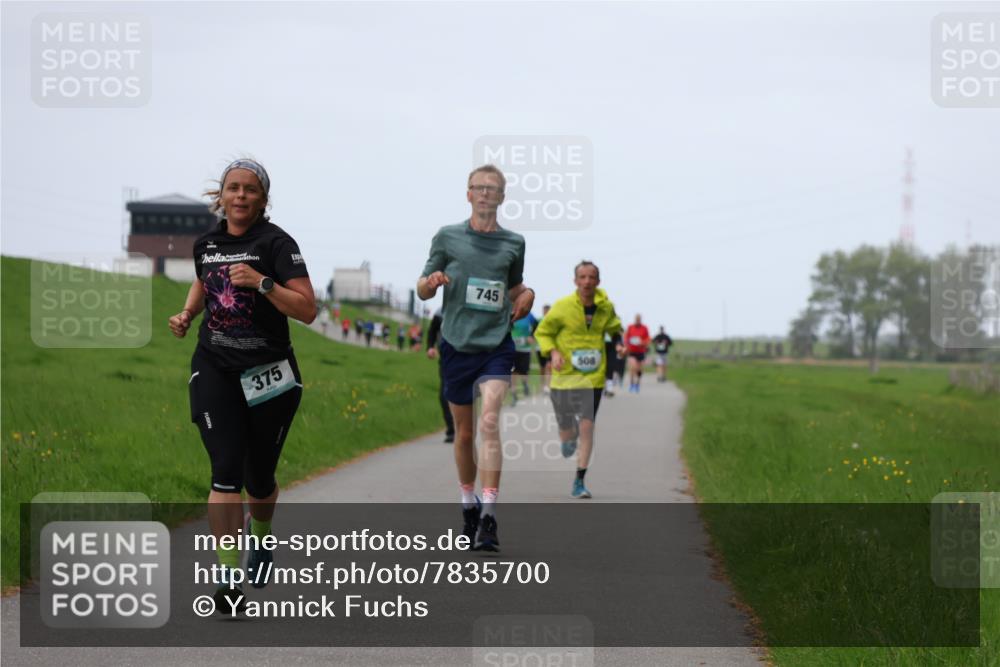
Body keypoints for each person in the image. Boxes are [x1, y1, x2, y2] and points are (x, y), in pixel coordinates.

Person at [168, 158, 315, 613]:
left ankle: (262, 537)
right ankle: (229, 579)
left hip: (268, 373)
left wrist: (263, 282)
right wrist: (189, 313)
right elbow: (202, 280)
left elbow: (307, 309)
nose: (240, 196)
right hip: (215, 366)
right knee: (225, 473)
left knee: (260, 477)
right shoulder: (207, 243)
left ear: (262, 199)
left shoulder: (277, 244)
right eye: (233, 188)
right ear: (222, 195)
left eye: (250, 190)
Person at [417, 164, 534, 552]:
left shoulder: (513, 242)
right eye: (478, 188)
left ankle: (489, 517)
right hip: (456, 344)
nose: (485, 194)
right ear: (468, 194)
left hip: (496, 346)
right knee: (464, 433)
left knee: (489, 421)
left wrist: (527, 296)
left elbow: (514, 287)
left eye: (493, 189)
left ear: (502, 197)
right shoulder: (447, 237)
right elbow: (421, 288)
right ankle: (469, 504)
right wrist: (431, 283)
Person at [534, 261, 623, 499]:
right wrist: (552, 352)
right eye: (582, 277)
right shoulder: (562, 307)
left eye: (591, 277)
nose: (587, 281)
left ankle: (579, 481)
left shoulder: (606, 307)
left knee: (587, 426)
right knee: (568, 429)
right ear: (575, 281)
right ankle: (567, 435)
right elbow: (543, 332)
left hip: (593, 377)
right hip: (564, 378)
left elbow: (615, 329)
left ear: (598, 281)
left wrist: (619, 344)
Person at [426, 308, 455, 443]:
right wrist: (430, 347)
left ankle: (464, 426)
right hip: (446, 359)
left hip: (468, 357)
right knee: (444, 395)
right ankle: (451, 429)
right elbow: (432, 331)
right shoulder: (439, 313)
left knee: (464, 394)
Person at [510, 311, 538, 405]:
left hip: (525, 348)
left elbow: (537, 325)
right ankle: (514, 394)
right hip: (513, 348)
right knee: (513, 371)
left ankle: (525, 384)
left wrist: (532, 336)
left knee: (524, 371)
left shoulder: (529, 315)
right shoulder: (511, 313)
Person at [624, 314, 650, 393]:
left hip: (641, 351)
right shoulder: (630, 327)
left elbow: (648, 338)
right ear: (635, 319)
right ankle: (631, 384)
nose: (638, 320)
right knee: (633, 366)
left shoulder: (644, 328)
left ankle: (637, 384)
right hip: (632, 351)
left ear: (641, 320)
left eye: (639, 319)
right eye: (636, 319)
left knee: (639, 369)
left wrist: (642, 342)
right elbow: (626, 337)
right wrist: (627, 343)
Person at [536, 304, 552, 394]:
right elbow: (533, 331)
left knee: (548, 366)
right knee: (542, 368)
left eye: (547, 311)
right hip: (539, 347)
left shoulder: (552, 321)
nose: (546, 312)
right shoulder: (538, 321)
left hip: (549, 347)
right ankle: (542, 386)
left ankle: (548, 386)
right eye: (544, 311)